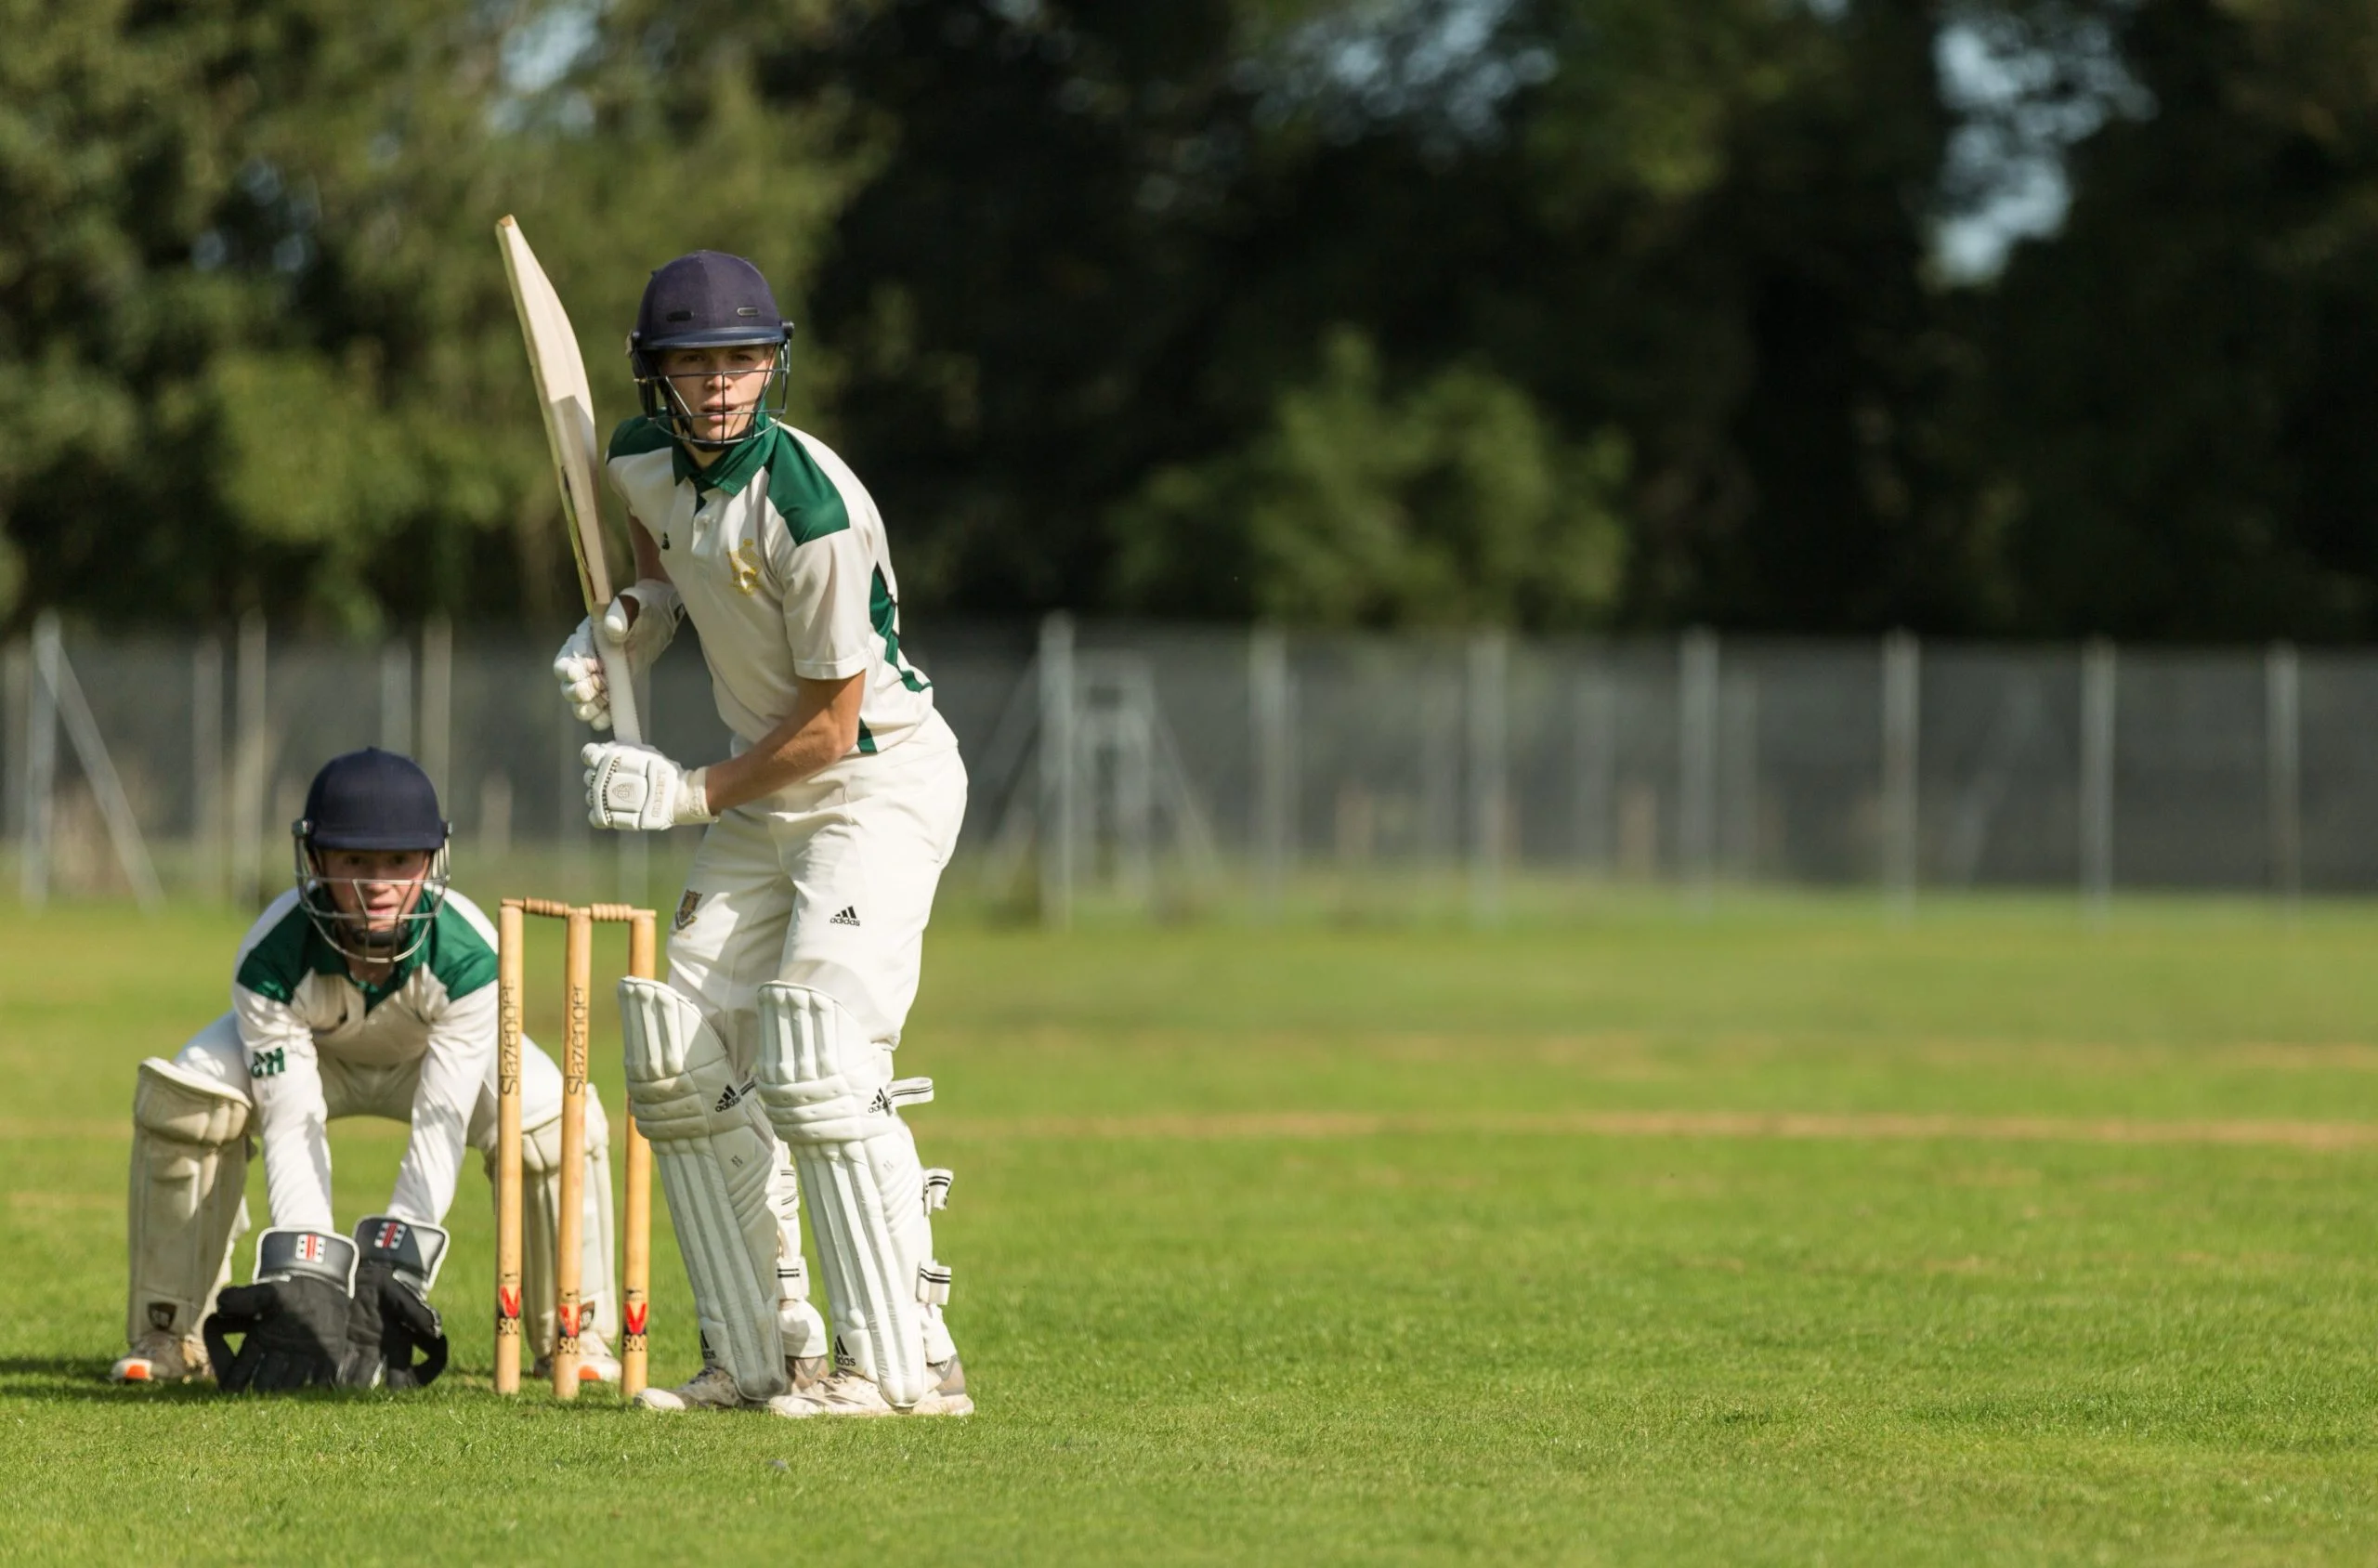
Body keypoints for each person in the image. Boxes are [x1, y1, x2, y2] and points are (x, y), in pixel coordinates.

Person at [552, 249, 968, 1417]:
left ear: (773, 366)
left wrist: (684, 795)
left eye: (743, 361)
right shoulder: (637, 459)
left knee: (820, 1053)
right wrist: (626, 624)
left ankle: (906, 1357)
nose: (723, 385)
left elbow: (833, 726)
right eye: (698, 365)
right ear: (658, 378)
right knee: (678, 1051)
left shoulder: (809, 507)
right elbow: (662, 561)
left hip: (873, 785)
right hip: (767, 797)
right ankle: (760, 1342)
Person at [113, 748, 621, 1387]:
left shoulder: (473, 957)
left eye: (399, 862)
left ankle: (577, 1332)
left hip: (426, 1065)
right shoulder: (270, 958)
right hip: (315, 1062)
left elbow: (440, 1125)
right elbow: (291, 1119)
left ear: (432, 860)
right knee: (190, 1097)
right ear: (317, 860)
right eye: (354, 861)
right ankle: (171, 1333)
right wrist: (308, 1277)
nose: (377, 884)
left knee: (552, 1119)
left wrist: (394, 1266)